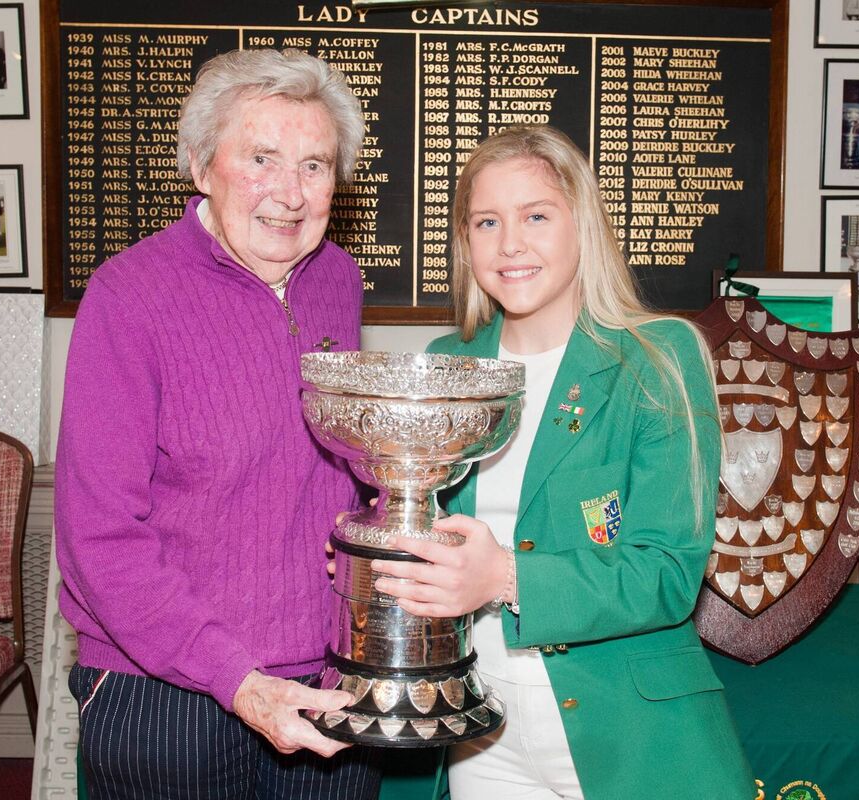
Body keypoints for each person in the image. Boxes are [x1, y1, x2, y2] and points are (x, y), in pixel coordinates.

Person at [368, 126, 754, 799]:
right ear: (465, 241)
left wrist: (505, 576)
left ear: (584, 227)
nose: (510, 243)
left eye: (536, 216)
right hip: (476, 727)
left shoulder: (660, 357)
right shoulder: (443, 364)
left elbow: (666, 573)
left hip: (623, 729)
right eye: (487, 221)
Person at [55, 48, 380, 799]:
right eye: (261, 158)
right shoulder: (126, 297)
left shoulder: (338, 279)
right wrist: (236, 679)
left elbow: (339, 471)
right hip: (163, 689)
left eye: (315, 165)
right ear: (202, 167)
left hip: (327, 672)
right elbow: (98, 538)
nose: (290, 194)